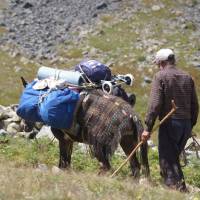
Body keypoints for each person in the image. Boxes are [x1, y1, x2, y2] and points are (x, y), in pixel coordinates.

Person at [141, 48, 199, 192]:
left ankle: (174, 190)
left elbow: (155, 104)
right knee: (173, 159)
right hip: (185, 124)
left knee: (167, 160)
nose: (157, 66)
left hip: (170, 123)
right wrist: (190, 126)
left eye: (157, 64)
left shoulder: (160, 76)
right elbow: (195, 105)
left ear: (161, 62)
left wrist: (147, 128)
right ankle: (180, 188)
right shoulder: (187, 77)